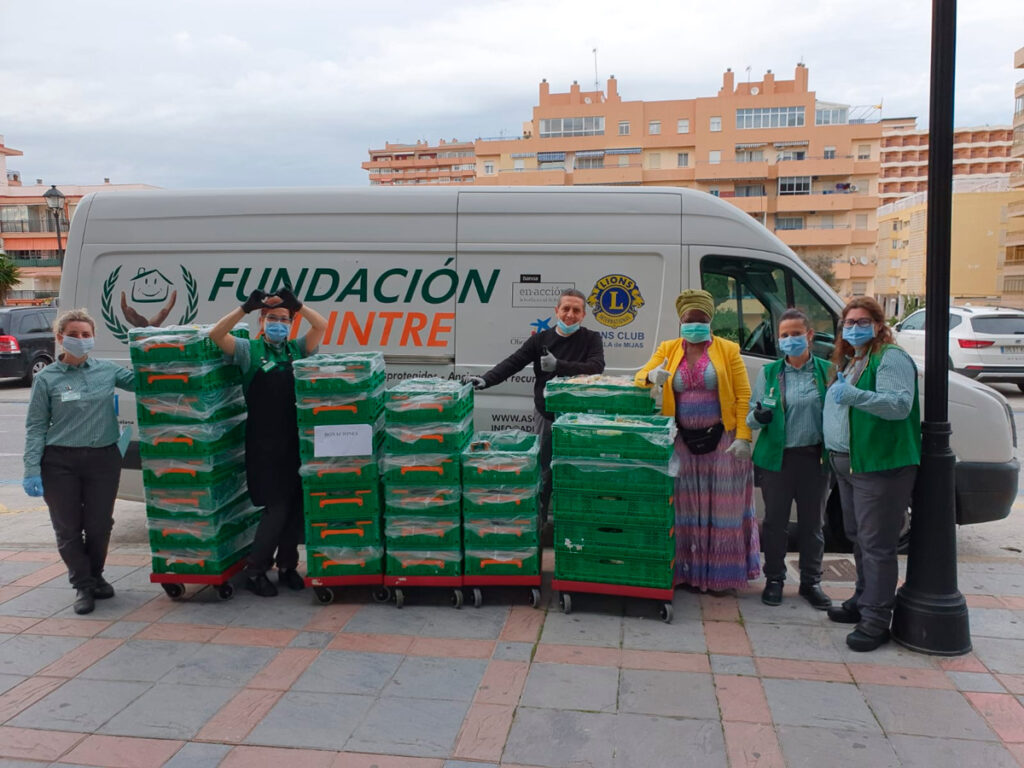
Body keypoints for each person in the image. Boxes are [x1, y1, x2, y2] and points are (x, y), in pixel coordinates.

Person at [635, 289, 760, 593]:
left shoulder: (728, 350)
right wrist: (653, 377)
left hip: (723, 441)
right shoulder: (668, 348)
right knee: (684, 508)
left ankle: (721, 578)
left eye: (701, 320)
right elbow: (640, 377)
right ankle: (686, 573)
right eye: (689, 321)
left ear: (710, 321)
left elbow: (744, 395)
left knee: (724, 509)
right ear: (680, 321)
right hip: (681, 441)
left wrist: (744, 437)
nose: (695, 326)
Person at [209, 288, 328, 597]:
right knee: (276, 508)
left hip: (296, 442)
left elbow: (321, 326)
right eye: (273, 318)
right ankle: (256, 569)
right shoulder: (249, 350)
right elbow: (216, 334)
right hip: (264, 445)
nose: (279, 323)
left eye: (285, 319)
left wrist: (298, 305)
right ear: (262, 321)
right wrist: (244, 308)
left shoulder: (297, 350)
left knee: (295, 506)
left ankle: (288, 566)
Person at [22, 309, 135, 615]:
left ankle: (96, 574)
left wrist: (152, 346)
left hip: (103, 458)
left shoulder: (108, 371)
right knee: (68, 528)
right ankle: (83, 585)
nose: (80, 340)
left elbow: (143, 382)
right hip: (60, 462)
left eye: (86, 335)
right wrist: (32, 469)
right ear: (60, 338)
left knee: (100, 525)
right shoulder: (46, 378)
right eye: (73, 334)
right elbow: (35, 426)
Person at [822, 296, 919, 652]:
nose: (854, 328)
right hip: (850, 465)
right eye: (848, 323)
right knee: (858, 537)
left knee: (877, 545)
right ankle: (862, 601)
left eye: (862, 321)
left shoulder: (889, 358)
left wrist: (854, 395)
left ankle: (876, 621)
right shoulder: (854, 360)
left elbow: (898, 405)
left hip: (878, 465)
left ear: (879, 325)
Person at [468, 288, 604, 520]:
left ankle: (572, 521)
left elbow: (596, 367)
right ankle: (539, 522)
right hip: (547, 414)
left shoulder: (591, 338)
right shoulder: (541, 340)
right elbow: (513, 362)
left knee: (574, 469)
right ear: (556, 311)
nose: (570, 314)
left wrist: (558, 365)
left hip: (578, 418)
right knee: (544, 469)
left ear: (583, 315)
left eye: (576, 310)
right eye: (566, 309)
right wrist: (486, 379)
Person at [746, 308, 832, 610]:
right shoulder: (770, 373)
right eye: (785, 335)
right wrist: (759, 415)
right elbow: (751, 418)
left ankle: (811, 582)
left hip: (814, 460)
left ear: (809, 335)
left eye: (796, 334)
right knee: (775, 524)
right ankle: (775, 580)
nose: (790, 340)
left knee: (812, 525)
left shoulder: (826, 371)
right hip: (777, 460)